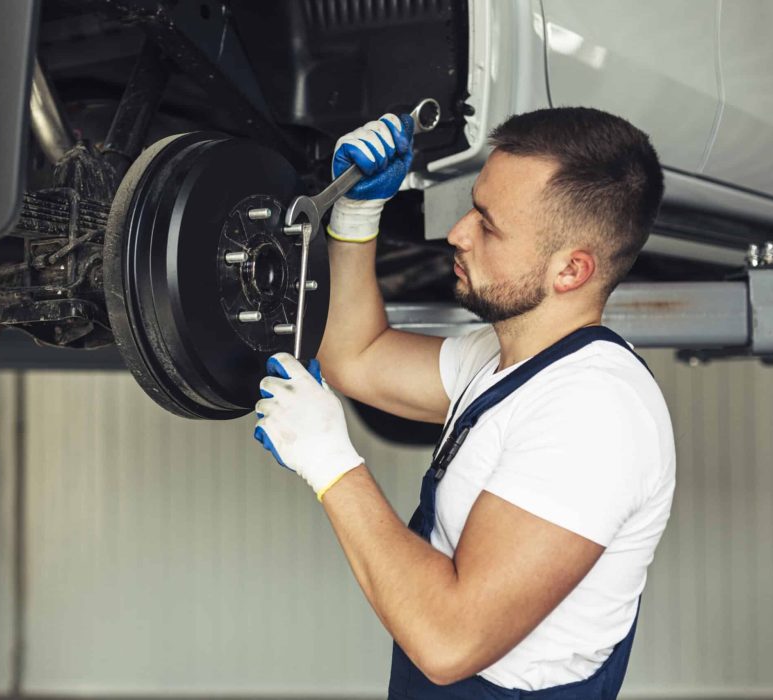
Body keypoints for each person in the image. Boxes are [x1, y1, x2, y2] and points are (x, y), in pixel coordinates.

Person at [252, 107, 676, 699]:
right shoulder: (509, 356)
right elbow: (358, 358)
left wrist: (330, 462)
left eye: (489, 224)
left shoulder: (594, 416)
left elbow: (449, 642)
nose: (457, 231)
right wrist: (356, 215)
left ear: (571, 270)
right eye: (474, 205)